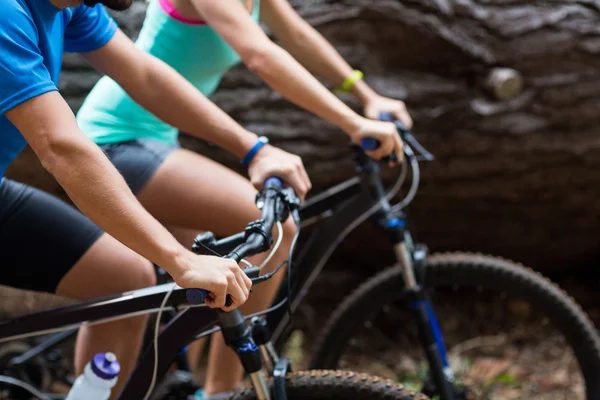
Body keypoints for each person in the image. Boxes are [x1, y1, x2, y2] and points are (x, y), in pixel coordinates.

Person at [76, 0, 413, 398]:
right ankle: (225, 390)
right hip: (115, 142)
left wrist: (365, 95)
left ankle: (181, 387)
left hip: (156, 139)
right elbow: (262, 55)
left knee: (201, 277)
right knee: (277, 227)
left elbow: (298, 36)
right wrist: (353, 123)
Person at [0, 0, 313, 398]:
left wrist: (254, 149)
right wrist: (179, 259)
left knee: (124, 280)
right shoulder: (7, 13)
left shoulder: (70, 6)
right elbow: (61, 147)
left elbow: (144, 75)